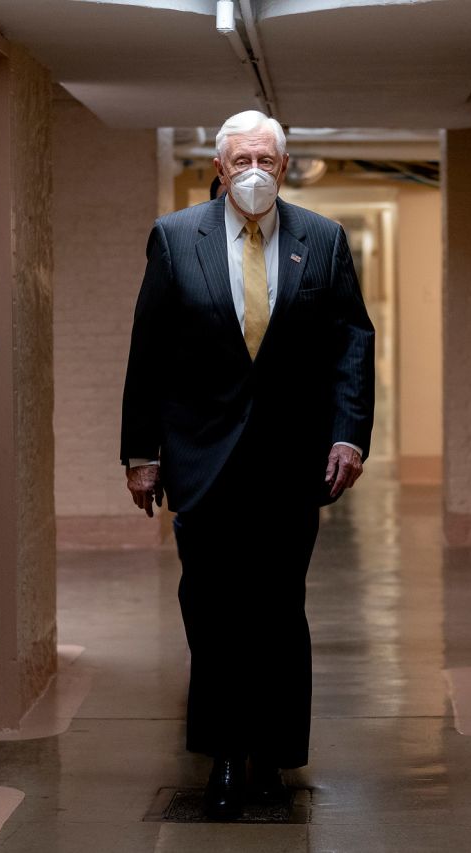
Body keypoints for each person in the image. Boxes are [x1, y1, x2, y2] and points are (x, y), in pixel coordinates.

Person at [120, 110, 375, 820]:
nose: (254, 171)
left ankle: (274, 755)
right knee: (211, 607)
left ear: (284, 166)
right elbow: (148, 349)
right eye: (241, 160)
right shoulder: (176, 239)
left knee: (278, 608)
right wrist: (142, 455)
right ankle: (224, 756)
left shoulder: (321, 241)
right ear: (219, 168)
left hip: (291, 464)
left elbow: (352, 338)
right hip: (200, 460)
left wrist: (349, 433)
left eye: (267, 158)